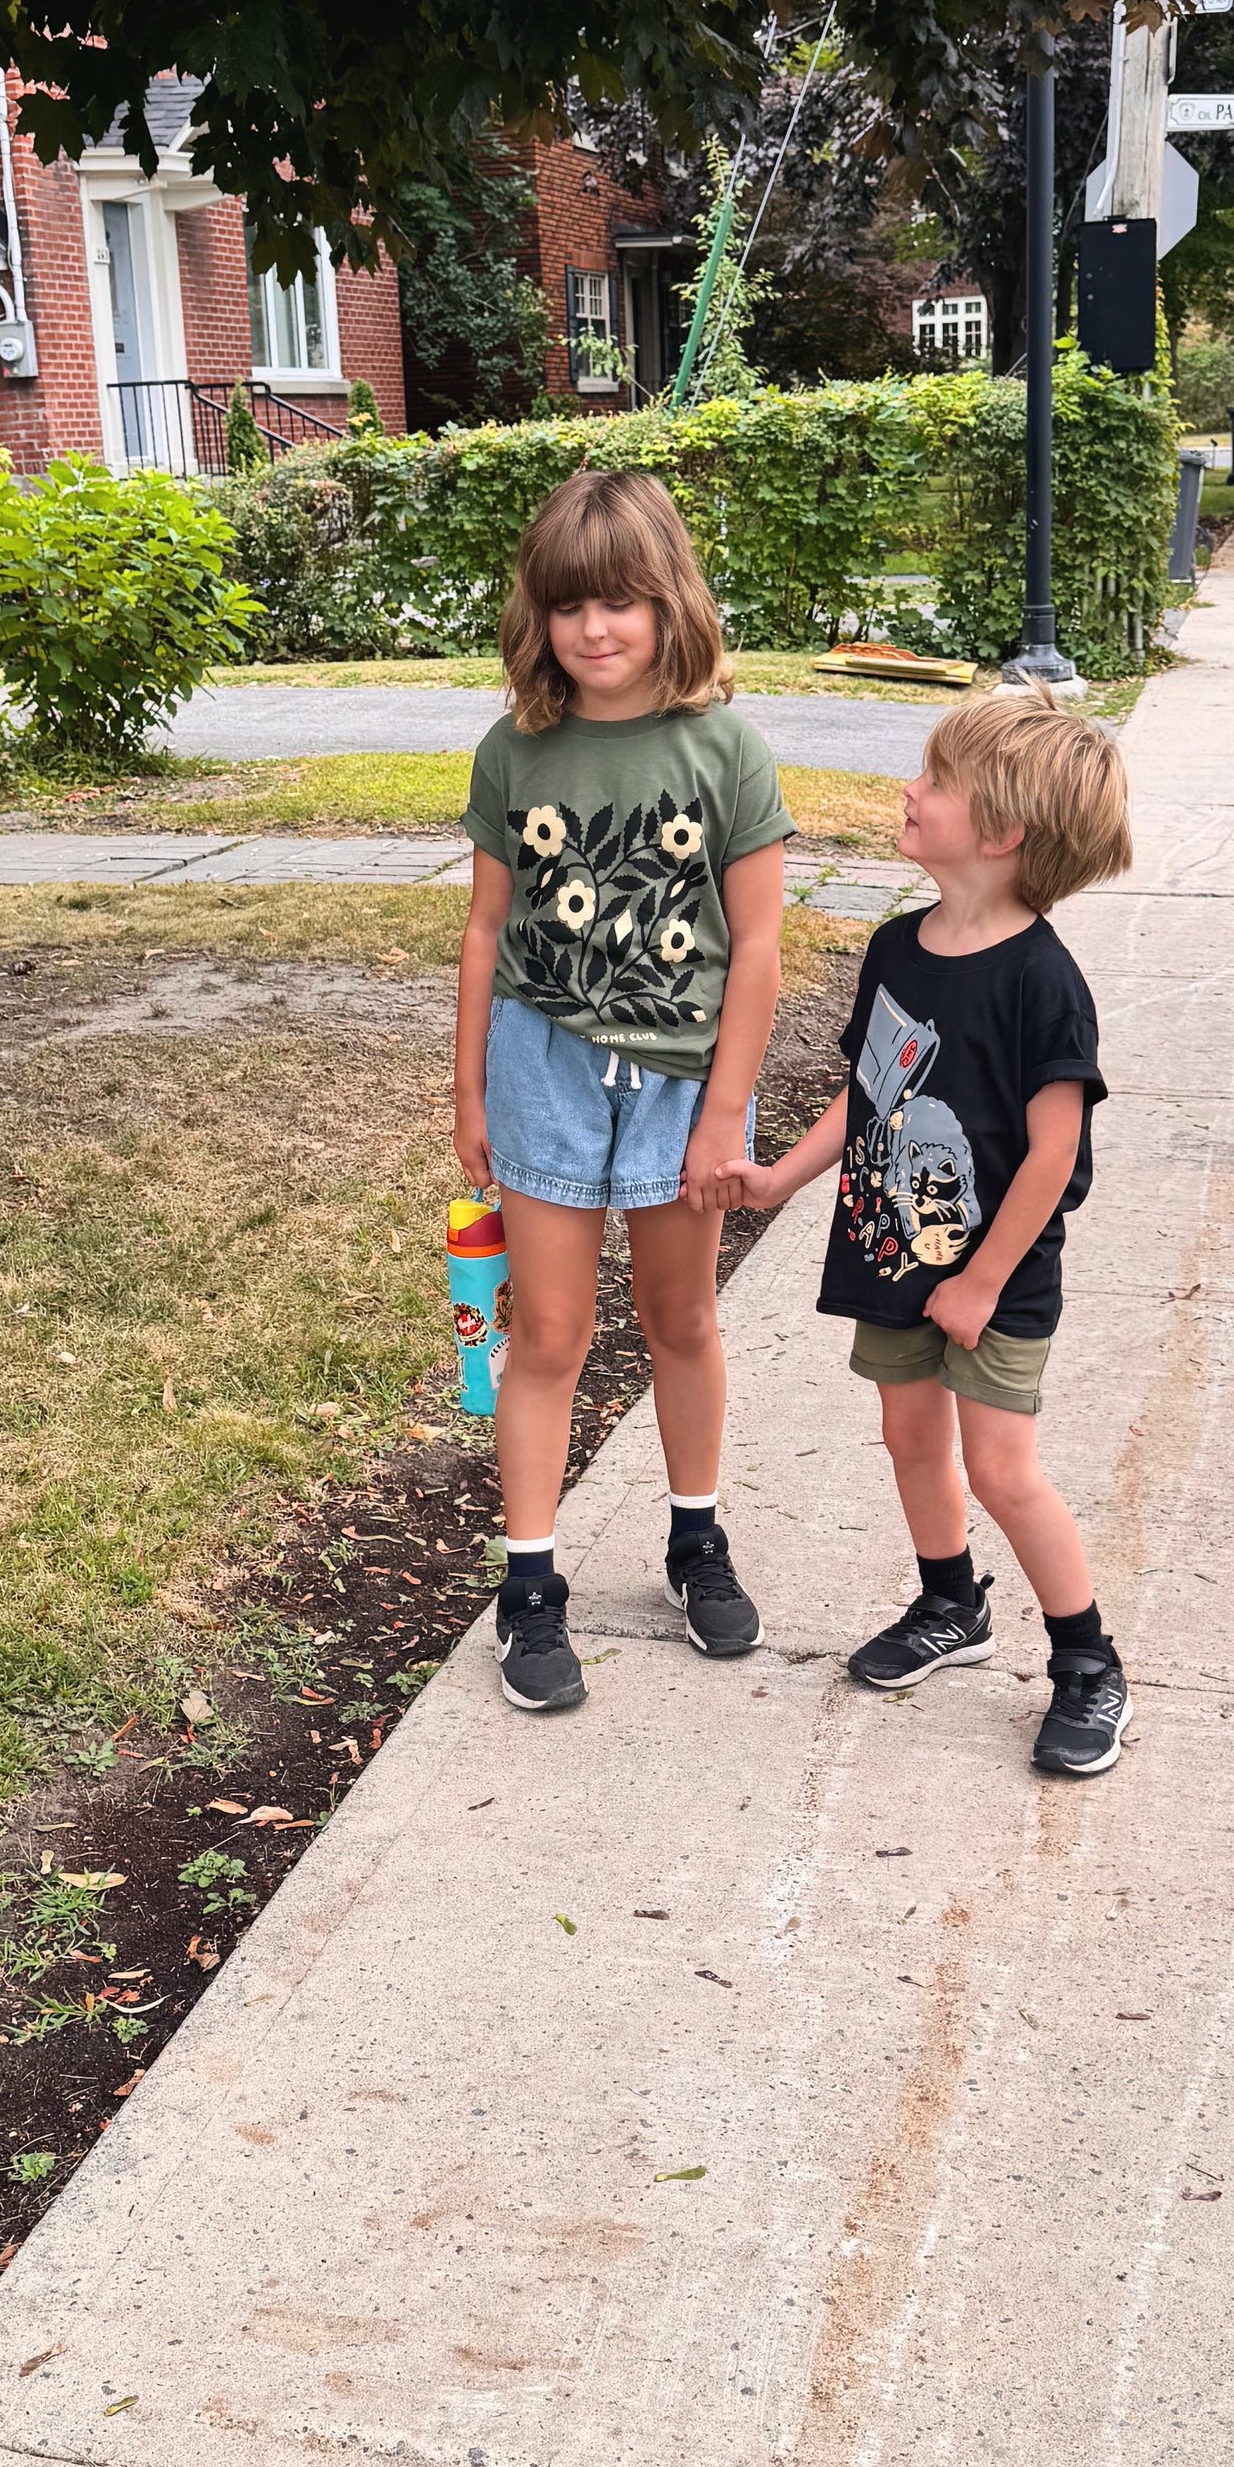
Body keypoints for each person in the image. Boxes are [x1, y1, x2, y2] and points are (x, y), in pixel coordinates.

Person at [722, 682, 1133, 1777]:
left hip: (991, 1277)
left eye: (936, 781)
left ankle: (1088, 1661)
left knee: (1004, 1470)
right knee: (911, 1441)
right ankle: (952, 1602)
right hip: (891, 1253)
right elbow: (867, 1095)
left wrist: (986, 1284)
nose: (911, 788)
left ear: (1000, 832)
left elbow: (1054, 1156)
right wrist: (778, 1182)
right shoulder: (898, 945)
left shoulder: (1044, 981)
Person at [455, 466, 793, 1714]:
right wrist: (470, 1094)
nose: (595, 630)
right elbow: (487, 931)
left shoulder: (726, 749)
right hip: (540, 1066)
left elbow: (756, 945)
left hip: (681, 1080)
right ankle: (530, 1581)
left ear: (670, 605)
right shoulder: (515, 752)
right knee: (546, 1335)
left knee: (681, 1319)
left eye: (622, 603)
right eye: (569, 607)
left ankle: (696, 1538)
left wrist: (723, 1110)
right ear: (538, 616)